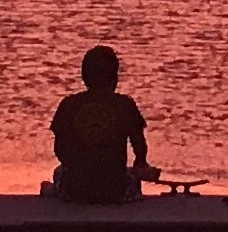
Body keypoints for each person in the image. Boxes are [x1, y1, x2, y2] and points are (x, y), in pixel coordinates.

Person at [44, 45, 158, 202]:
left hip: (76, 190)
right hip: (115, 190)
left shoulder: (69, 105)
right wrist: (140, 166)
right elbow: (140, 148)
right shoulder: (125, 105)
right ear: (115, 77)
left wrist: (82, 164)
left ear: (84, 76)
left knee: (59, 172)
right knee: (132, 179)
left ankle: (52, 189)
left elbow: (60, 150)